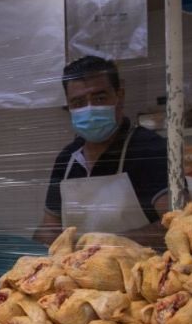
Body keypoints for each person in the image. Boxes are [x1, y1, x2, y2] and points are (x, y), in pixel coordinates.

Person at [33, 56, 169, 248]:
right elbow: (50, 228)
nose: (89, 108)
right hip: (77, 273)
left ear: (119, 96)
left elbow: (175, 224)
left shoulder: (148, 149)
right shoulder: (67, 159)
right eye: (78, 102)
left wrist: (104, 246)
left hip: (140, 274)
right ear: (69, 106)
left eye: (99, 98)